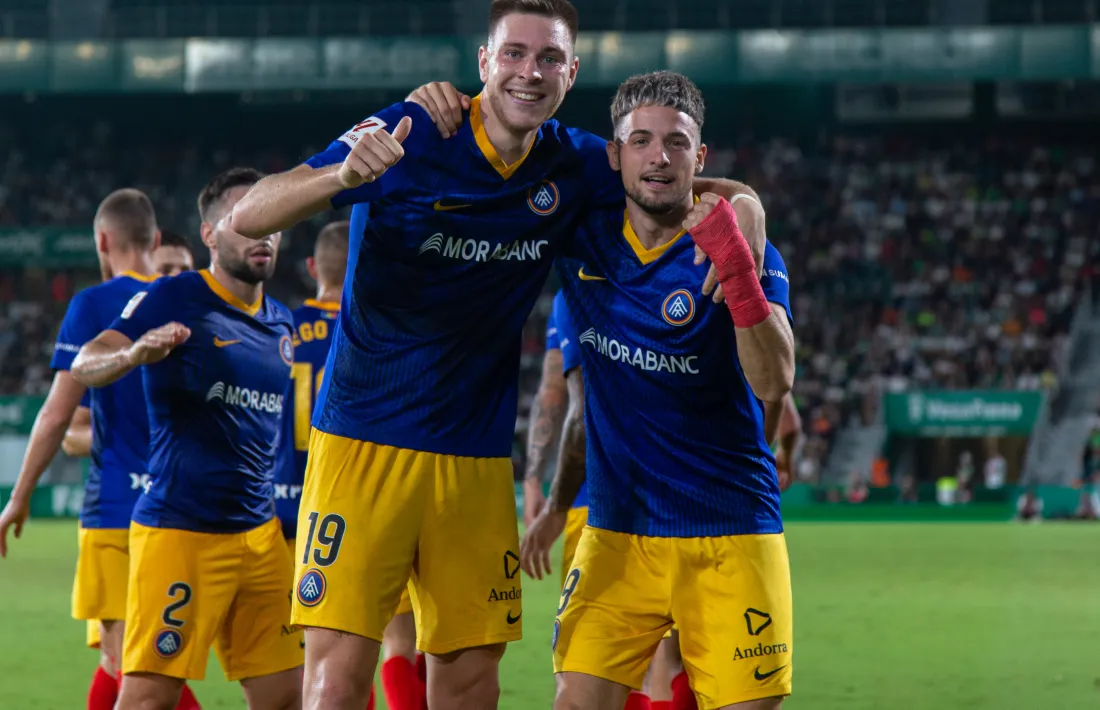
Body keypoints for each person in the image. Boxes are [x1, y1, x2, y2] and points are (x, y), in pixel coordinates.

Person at [228, 2, 745, 707]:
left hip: (474, 459)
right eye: (514, 54)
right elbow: (248, 215)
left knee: (472, 681)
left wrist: (749, 208)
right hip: (362, 443)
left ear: (571, 73)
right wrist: (340, 177)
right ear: (484, 62)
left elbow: (681, 182)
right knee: (338, 678)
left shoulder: (577, 162)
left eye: (548, 58)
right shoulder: (413, 132)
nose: (529, 72)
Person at [521, 71, 796, 710]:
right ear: (615, 154)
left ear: (700, 159)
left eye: (677, 142)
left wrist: (737, 268)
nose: (659, 157)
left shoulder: (743, 248)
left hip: (732, 531)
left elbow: (775, 380)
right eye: (641, 141)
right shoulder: (580, 238)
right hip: (618, 531)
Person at [70, 168, 303, 710]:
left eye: (272, 221)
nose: (264, 234)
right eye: (247, 221)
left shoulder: (281, 322)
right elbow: (85, 362)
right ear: (209, 235)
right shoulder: (175, 296)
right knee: (148, 699)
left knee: (286, 697)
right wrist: (133, 354)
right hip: (182, 535)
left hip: (260, 538)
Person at [0, 190, 204, 710]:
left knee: (130, 669)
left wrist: (18, 498)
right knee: (148, 664)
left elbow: (56, 415)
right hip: (181, 510)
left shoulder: (92, 306)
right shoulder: (185, 303)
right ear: (155, 242)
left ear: (102, 242)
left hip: (114, 509)